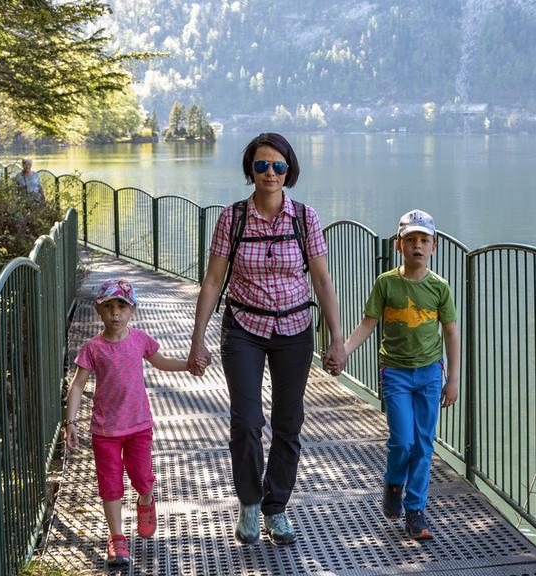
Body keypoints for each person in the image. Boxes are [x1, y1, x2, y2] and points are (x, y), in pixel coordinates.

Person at [187, 132, 347, 546]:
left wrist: (337, 339)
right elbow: (213, 280)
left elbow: (322, 280)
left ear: (289, 170)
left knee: (288, 423)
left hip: (294, 331)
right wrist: (197, 339)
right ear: (250, 171)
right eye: (261, 165)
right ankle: (250, 503)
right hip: (244, 328)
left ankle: (276, 508)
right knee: (245, 422)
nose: (270, 173)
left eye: (278, 165)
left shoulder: (304, 218)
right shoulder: (233, 218)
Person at [326, 209, 460, 540]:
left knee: (424, 445)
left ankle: (415, 511)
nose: (417, 245)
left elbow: (452, 333)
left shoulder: (439, 288)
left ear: (434, 246)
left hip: (430, 373)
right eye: (410, 239)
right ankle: (394, 482)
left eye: (424, 240)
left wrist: (453, 378)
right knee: (403, 440)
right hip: (396, 373)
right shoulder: (386, 284)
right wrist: (343, 350)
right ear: (398, 245)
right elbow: (369, 324)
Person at [64, 278, 201, 567]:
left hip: (138, 427)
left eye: (122, 306)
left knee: (143, 478)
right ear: (98, 310)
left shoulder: (139, 340)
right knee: (110, 484)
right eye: (110, 307)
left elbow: (161, 361)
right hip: (105, 431)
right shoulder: (93, 348)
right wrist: (71, 422)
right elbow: (77, 386)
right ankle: (117, 539)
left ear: (132, 311)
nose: (116, 313)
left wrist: (188, 365)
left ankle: (145, 501)